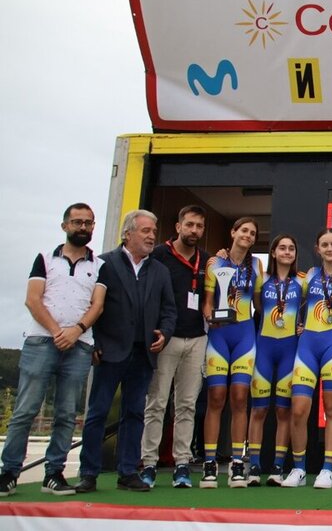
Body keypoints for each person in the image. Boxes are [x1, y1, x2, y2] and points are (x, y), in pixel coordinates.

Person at [0, 204, 107, 497]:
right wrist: (59, 331)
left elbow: (97, 305)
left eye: (88, 223)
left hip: (80, 344)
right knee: (25, 410)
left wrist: (77, 331)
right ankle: (8, 472)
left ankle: (54, 473)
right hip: (41, 342)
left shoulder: (98, 266)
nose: (82, 227)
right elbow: (33, 300)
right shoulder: (45, 260)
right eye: (77, 222)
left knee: (66, 413)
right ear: (64, 226)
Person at [76, 209, 176, 493]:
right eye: (145, 231)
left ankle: (128, 472)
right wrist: (94, 341)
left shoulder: (159, 270)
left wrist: (165, 333)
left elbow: (169, 310)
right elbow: (91, 306)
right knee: (97, 413)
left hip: (143, 354)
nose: (151, 237)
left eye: (153, 232)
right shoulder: (103, 264)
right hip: (109, 352)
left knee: (134, 413)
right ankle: (89, 473)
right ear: (128, 233)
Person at [140, 205, 209, 489]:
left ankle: (182, 462)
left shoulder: (207, 260)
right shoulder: (158, 255)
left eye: (199, 227)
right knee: (156, 403)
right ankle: (148, 464)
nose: (194, 231)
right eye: (190, 225)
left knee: (187, 404)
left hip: (197, 339)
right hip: (165, 338)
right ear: (178, 226)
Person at [283, 228, 332, 489]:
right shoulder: (308, 275)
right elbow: (286, 296)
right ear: (318, 248)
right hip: (307, 346)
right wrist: (299, 324)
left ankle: (327, 470)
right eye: (325, 244)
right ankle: (299, 468)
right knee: (299, 410)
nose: (330, 248)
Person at [199, 217, 264, 488]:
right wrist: (210, 318)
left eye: (252, 233)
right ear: (233, 232)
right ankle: (210, 461)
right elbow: (207, 303)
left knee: (239, 398)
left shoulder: (257, 265)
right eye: (244, 231)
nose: (247, 235)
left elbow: (261, 304)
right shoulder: (215, 262)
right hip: (219, 335)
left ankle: (238, 462)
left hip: (245, 335)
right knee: (216, 397)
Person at [247, 234, 306, 486]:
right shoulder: (261, 279)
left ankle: (278, 465)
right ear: (272, 252)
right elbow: (258, 307)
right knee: (258, 408)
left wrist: (303, 325)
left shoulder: (302, 282)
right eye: (282, 248)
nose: (287, 252)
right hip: (264, 347)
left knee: (284, 410)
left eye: (291, 248)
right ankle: (253, 465)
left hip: (290, 350)